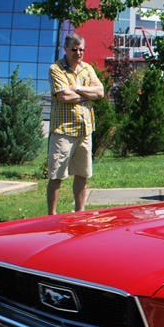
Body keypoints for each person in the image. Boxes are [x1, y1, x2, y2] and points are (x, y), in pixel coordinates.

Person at [47, 32, 104, 215]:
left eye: (81, 50)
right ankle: (52, 215)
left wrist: (77, 89)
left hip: (85, 130)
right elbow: (63, 96)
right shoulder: (56, 69)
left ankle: (80, 213)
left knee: (83, 174)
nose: (78, 53)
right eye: (74, 49)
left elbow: (100, 92)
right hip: (63, 130)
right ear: (65, 49)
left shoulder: (87, 69)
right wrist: (87, 95)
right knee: (57, 175)